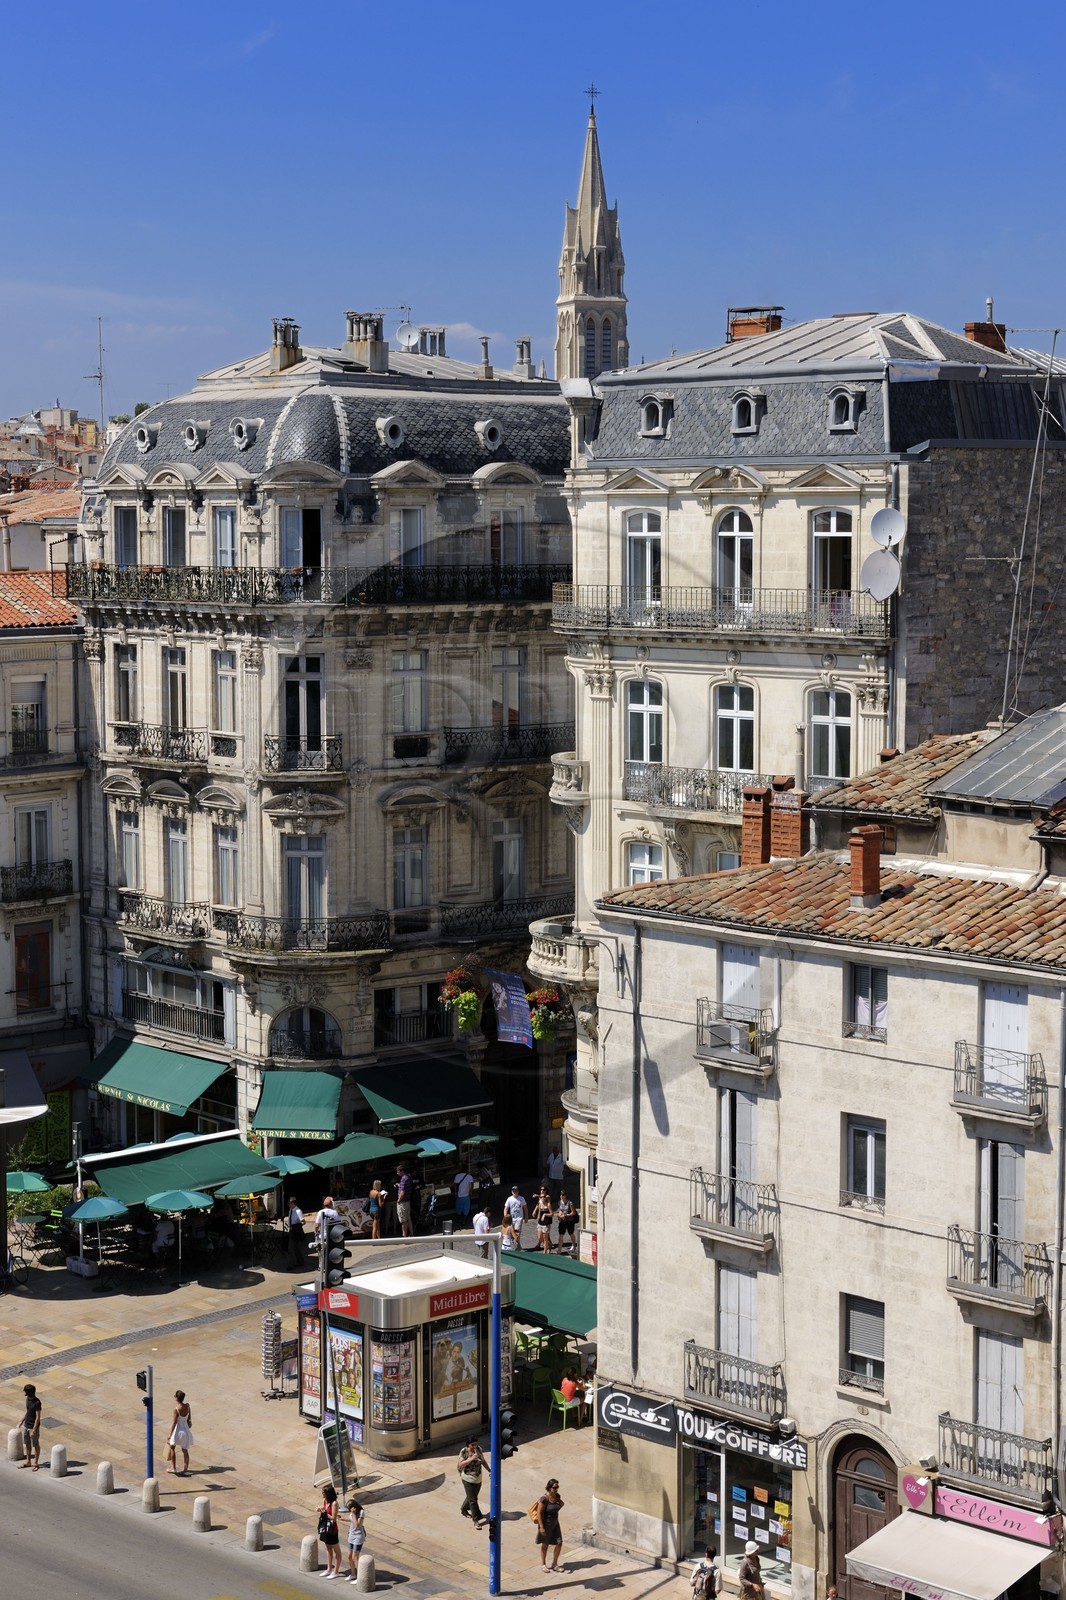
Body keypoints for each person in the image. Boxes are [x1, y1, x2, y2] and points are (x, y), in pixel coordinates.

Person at [457, 1436, 488, 1527]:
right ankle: (476, 1520)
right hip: (467, 1479)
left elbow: (482, 1461)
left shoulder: (479, 1449)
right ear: (468, 1445)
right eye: (472, 1444)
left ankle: (463, 1509)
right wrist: (472, 1458)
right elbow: (461, 1464)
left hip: (478, 1478)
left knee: (472, 1497)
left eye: (476, 1443)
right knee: (473, 1500)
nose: (475, 1446)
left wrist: (489, 1470)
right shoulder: (464, 1451)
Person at [535, 1478, 564, 1571]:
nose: (556, 1489)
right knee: (545, 1544)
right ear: (549, 1488)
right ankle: (543, 1564)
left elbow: (562, 1504)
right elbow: (539, 1513)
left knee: (559, 1543)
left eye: (557, 1487)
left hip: (555, 1523)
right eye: (554, 1487)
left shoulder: (557, 1496)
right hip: (546, 1524)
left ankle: (554, 1564)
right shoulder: (544, 1499)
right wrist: (542, 1527)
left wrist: (558, 1500)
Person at [317, 1483, 343, 1578]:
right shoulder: (325, 1500)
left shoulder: (334, 1503)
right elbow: (325, 1509)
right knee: (328, 1548)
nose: (322, 1494)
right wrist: (321, 1508)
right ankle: (329, 1569)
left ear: (327, 1493)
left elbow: (333, 1518)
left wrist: (324, 1513)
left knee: (337, 1550)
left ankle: (336, 1571)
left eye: (323, 1492)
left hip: (332, 1529)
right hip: (325, 1527)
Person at [166, 1389, 193, 1475]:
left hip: (178, 1431)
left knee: (172, 1447)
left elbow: (174, 1423)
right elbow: (189, 1418)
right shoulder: (188, 1406)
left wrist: (170, 1434)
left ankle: (174, 1468)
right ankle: (185, 1469)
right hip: (186, 1430)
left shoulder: (176, 1409)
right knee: (185, 1450)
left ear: (177, 1398)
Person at [18, 1383, 41, 1470]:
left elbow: (38, 1417)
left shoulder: (37, 1402)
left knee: (35, 1444)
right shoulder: (28, 1399)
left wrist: (34, 1430)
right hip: (26, 1425)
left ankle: (36, 1463)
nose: (25, 1393)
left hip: (33, 1427)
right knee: (27, 1444)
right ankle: (28, 1461)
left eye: (25, 1392)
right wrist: (22, 1421)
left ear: (28, 1392)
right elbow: (27, 1411)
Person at [343, 1494, 365, 1582]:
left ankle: (360, 1576)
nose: (349, 1511)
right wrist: (344, 1519)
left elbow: (356, 1525)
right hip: (351, 1536)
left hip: (358, 1537)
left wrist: (353, 1514)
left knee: (355, 1557)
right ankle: (353, 1574)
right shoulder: (352, 1514)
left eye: (350, 1509)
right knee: (349, 1556)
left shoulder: (361, 1512)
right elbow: (351, 1520)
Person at [555, 1188, 577, 1255]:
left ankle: (574, 1245)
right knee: (561, 1235)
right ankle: (559, 1249)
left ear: (566, 1195)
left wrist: (566, 1215)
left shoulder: (570, 1203)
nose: (562, 1196)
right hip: (562, 1221)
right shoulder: (559, 1202)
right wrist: (560, 1215)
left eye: (563, 1195)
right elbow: (560, 1210)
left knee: (571, 1233)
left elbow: (573, 1213)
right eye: (561, 1195)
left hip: (569, 1221)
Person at [286, 1195, 306, 1270]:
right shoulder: (291, 1210)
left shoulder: (298, 1211)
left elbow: (303, 1222)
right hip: (291, 1230)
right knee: (296, 1248)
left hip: (296, 1231)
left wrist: (297, 1227)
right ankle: (300, 1261)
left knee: (291, 1248)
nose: (288, 1205)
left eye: (289, 1203)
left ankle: (291, 1264)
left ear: (293, 1203)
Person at [532, 1186, 553, 1252]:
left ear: (546, 1190)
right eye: (541, 1189)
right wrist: (535, 1211)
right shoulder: (541, 1198)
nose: (542, 1190)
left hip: (546, 1220)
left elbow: (545, 1198)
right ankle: (548, 1245)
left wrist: (538, 1196)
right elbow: (538, 1204)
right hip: (541, 1219)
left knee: (545, 1236)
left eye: (543, 1189)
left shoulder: (547, 1197)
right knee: (542, 1236)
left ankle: (546, 1249)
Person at [395, 1165, 413, 1238]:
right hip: (407, 1201)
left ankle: (404, 1236)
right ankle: (411, 1234)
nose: (397, 1173)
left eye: (398, 1172)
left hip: (403, 1202)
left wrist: (398, 1200)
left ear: (402, 1171)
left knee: (403, 1220)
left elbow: (402, 1191)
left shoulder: (403, 1179)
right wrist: (399, 1185)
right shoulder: (408, 1177)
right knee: (408, 1219)